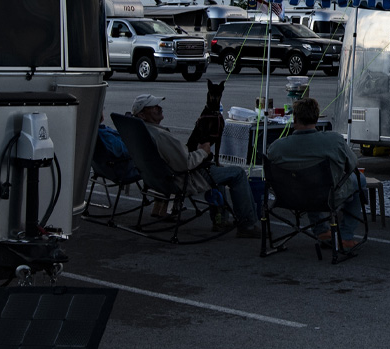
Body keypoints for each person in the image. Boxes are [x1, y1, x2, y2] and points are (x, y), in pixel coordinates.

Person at [130, 94, 259, 237]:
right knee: (238, 174)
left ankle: (220, 220)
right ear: (142, 114)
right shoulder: (160, 135)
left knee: (218, 172)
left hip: (157, 179)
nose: (159, 108)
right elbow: (186, 164)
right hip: (182, 179)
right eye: (154, 107)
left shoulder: (139, 132)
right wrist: (203, 151)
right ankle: (247, 225)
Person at [264, 97, 370, 251]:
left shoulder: (277, 147)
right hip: (325, 196)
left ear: (295, 118)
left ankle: (322, 232)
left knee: (307, 184)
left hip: (289, 197)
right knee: (359, 179)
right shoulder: (334, 141)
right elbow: (353, 164)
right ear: (316, 117)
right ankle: (346, 236)